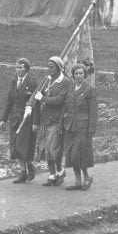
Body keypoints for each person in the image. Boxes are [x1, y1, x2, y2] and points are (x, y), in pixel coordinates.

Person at [0, 57, 40, 183]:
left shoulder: (32, 82)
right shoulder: (13, 82)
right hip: (15, 119)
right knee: (15, 146)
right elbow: (9, 102)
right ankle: (23, 172)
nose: (18, 70)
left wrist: (35, 122)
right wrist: (3, 119)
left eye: (20, 67)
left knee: (24, 145)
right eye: (16, 67)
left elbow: (36, 103)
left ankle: (30, 167)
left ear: (26, 68)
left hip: (27, 119)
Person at [33, 55, 71, 186]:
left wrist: (42, 98)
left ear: (59, 68)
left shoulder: (65, 82)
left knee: (53, 149)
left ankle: (60, 171)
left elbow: (59, 100)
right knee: (44, 149)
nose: (49, 69)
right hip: (45, 120)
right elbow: (35, 96)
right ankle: (52, 174)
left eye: (52, 67)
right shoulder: (46, 80)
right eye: (48, 66)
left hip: (56, 120)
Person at [63, 64, 97, 190]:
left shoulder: (89, 90)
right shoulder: (70, 89)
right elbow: (66, 106)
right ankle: (77, 181)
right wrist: (64, 120)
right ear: (73, 76)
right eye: (76, 74)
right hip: (70, 126)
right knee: (71, 154)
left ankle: (87, 177)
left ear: (85, 75)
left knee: (80, 154)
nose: (78, 76)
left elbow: (93, 111)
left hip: (83, 127)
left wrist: (92, 128)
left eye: (81, 73)